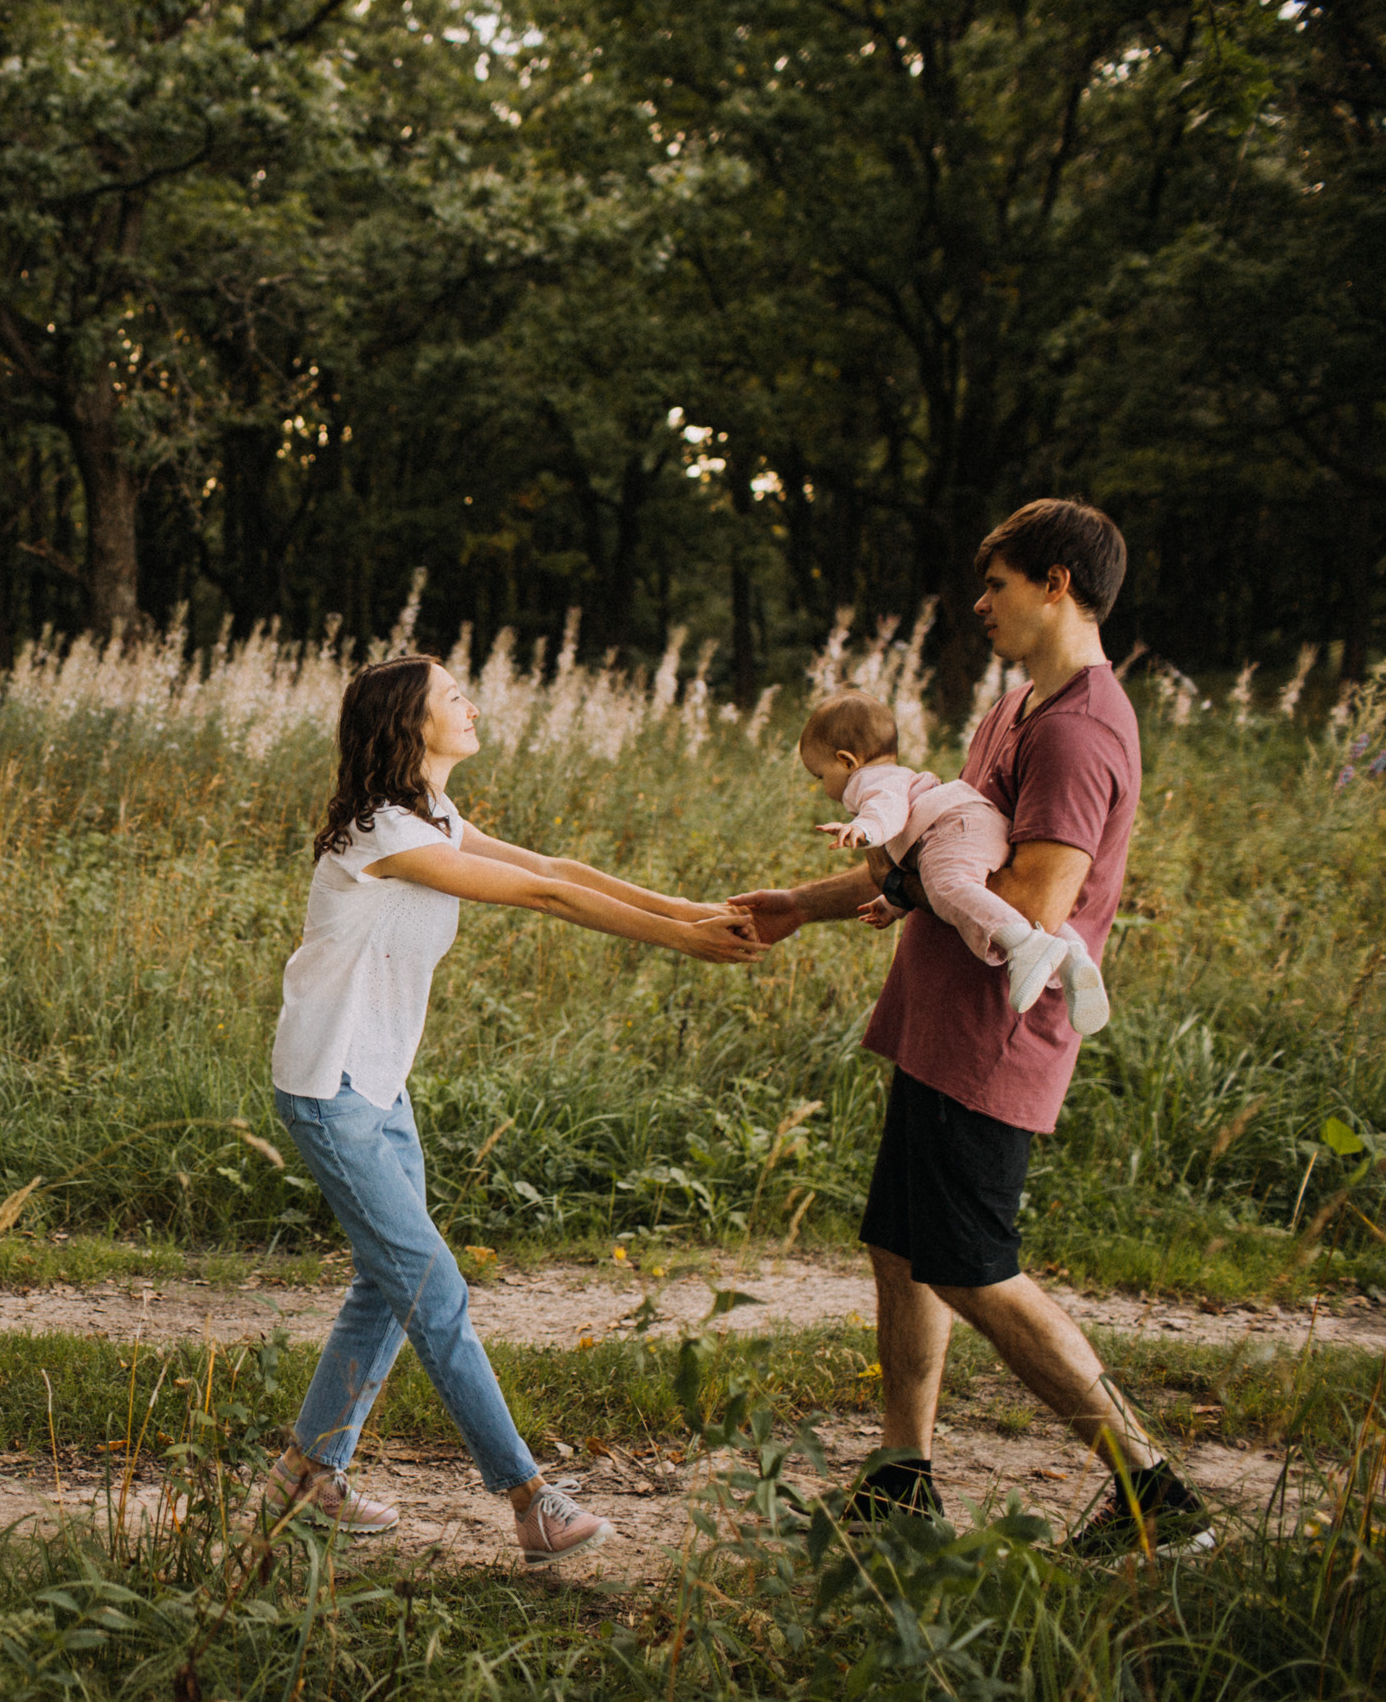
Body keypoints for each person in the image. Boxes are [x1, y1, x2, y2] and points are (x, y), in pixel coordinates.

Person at [731, 498, 1211, 1557]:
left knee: (969, 1262)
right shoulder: (1013, 704)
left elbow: (1032, 904)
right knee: (901, 1246)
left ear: (1056, 585)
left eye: (996, 583)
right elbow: (939, 846)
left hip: (997, 1034)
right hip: (936, 1018)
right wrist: (799, 906)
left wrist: (894, 873)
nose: (979, 602)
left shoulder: (1081, 731)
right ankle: (902, 1479)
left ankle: (1154, 1492)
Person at [266, 654, 766, 1565]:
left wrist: (697, 910)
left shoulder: (431, 815)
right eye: (453, 694)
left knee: (387, 1285)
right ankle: (531, 1497)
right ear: (409, 724)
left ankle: (308, 1475)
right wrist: (684, 943)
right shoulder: (380, 831)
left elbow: (552, 863)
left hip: (378, 1082)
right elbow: (544, 894)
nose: (471, 702)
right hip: (331, 1087)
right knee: (433, 1292)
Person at [797, 688, 1109, 1033]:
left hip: (949, 827)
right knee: (982, 895)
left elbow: (887, 808)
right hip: (977, 823)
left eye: (820, 775)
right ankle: (1074, 957)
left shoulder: (866, 782)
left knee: (948, 886)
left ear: (846, 761)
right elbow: (912, 866)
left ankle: (1024, 945)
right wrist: (893, 902)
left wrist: (863, 830)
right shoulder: (897, 774)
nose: (824, 786)